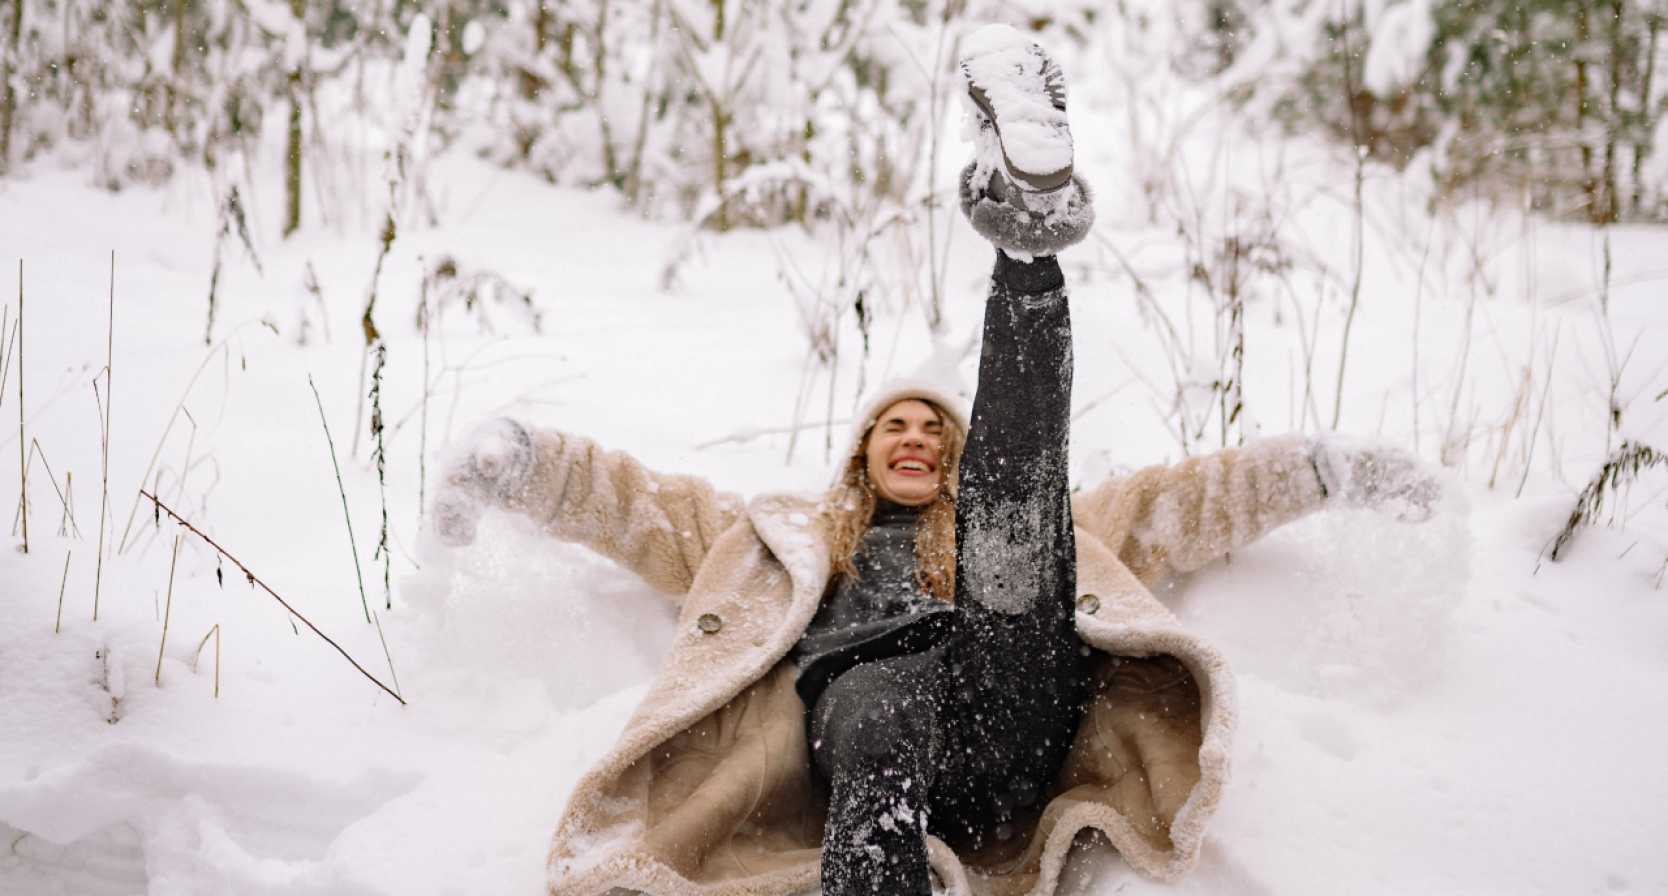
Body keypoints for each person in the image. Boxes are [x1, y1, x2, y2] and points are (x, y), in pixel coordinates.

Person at [431, 24, 1439, 896]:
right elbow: (631, 502)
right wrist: (519, 458)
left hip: (1010, 698)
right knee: (873, 695)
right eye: (894, 428)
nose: (915, 439)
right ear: (864, 453)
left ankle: (1028, 242)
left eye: (935, 432)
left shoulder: (1026, 516)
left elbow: (1189, 501)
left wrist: (1322, 468)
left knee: (1015, 522)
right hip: (863, 736)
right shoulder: (778, 535)